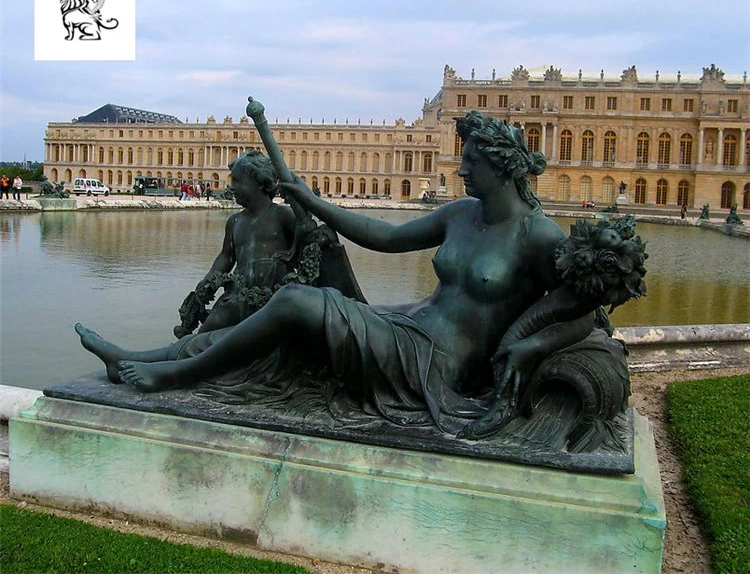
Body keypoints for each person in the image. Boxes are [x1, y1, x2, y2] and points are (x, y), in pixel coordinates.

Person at [76, 112, 640, 440]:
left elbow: (585, 309)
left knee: (297, 302)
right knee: (286, 315)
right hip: (406, 328)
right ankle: (146, 358)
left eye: (470, 159)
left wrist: (531, 343)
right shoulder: (461, 215)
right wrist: (315, 203)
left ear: (500, 166)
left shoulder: (538, 236)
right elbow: (383, 236)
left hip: (435, 366)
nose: (460, 165)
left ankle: (172, 376)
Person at [175, 150, 297, 336]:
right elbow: (226, 256)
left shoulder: (282, 215)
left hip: (274, 295)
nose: (232, 187)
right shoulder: (235, 221)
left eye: (237, 182)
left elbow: (306, 242)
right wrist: (209, 279)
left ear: (260, 183)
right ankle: (180, 355)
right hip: (239, 295)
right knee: (206, 332)